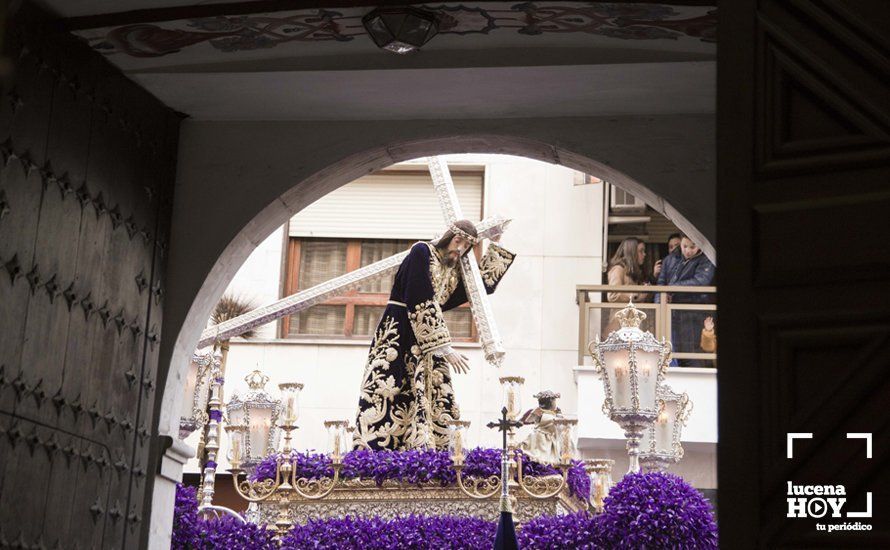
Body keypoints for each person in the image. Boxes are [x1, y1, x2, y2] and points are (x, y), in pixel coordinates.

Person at [353, 220, 515, 450]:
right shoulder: (421, 251)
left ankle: (429, 456)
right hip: (400, 333)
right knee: (390, 393)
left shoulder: (449, 270)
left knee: (435, 395)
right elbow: (418, 296)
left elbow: (478, 288)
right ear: (454, 239)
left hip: (428, 342)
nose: (461, 252)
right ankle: (379, 459)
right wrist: (445, 347)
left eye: (467, 248)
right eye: (462, 245)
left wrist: (496, 245)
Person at [659, 235, 715, 365]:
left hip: (694, 313)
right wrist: (660, 305)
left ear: (700, 245)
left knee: (692, 354)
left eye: (692, 247)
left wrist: (671, 288)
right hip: (672, 314)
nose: (688, 250)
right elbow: (661, 283)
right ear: (681, 243)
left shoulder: (706, 259)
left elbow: (701, 281)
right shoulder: (671, 259)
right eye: (685, 246)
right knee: (672, 353)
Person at [518, 390, 574, 465]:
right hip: (541, 439)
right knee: (540, 458)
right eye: (554, 400)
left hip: (547, 439)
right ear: (551, 402)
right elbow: (527, 420)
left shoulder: (554, 414)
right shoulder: (543, 414)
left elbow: (562, 427)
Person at [606, 237, 650, 303]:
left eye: (644, 251)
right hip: (621, 313)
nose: (644, 254)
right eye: (641, 251)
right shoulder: (618, 269)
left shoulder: (633, 271)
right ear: (631, 252)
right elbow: (613, 295)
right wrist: (637, 295)